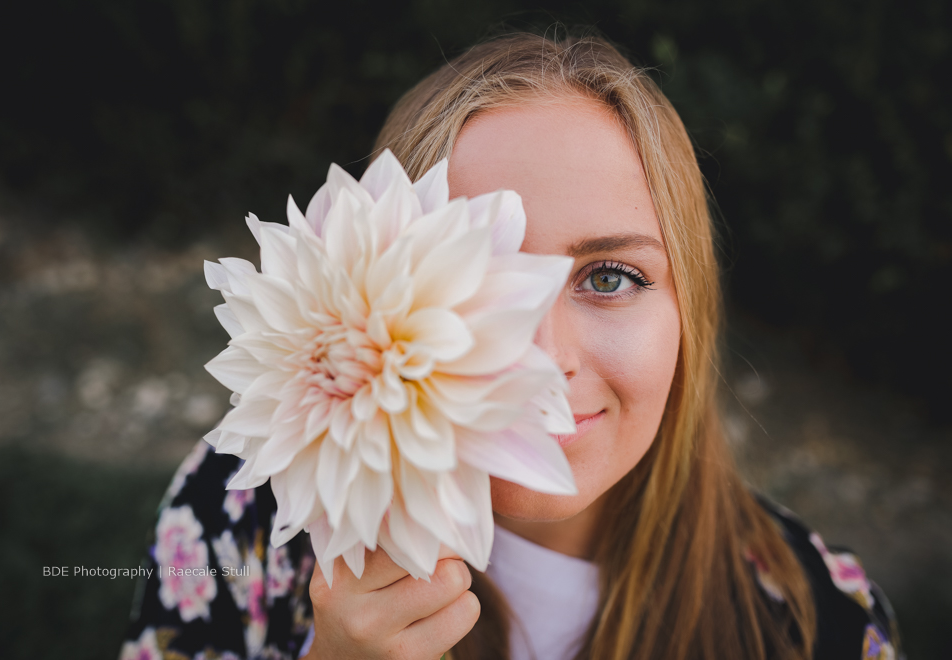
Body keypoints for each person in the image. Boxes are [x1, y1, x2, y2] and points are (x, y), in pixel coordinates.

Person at [118, 32, 901, 660]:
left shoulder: (816, 620)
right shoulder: (233, 517)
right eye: (484, 278)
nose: (544, 356)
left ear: (690, 310)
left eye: (611, 277)